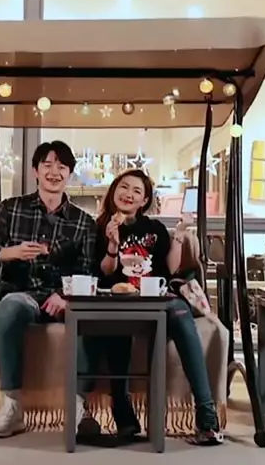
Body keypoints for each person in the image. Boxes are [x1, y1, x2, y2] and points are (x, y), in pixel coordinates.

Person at [89, 169, 224, 445]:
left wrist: (180, 233)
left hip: (157, 297)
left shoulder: (155, 229)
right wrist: (112, 245)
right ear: (113, 192)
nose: (129, 194)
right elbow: (105, 272)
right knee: (114, 327)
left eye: (137, 191)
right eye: (124, 187)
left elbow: (170, 268)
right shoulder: (100, 227)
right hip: (117, 299)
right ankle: (123, 414)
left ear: (144, 200)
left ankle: (206, 413)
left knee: (181, 313)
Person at [0, 140, 99, 438]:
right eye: (47, 165)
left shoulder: (83, 222)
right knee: (10, 306)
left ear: (69, 173)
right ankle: (12, 407)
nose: (54, 172)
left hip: (64, 295)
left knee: (86, 316)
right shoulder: (10, 208)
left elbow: (88, 270)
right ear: (35, 170)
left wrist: (66, 295)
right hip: (21, 293)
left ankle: (79, 406)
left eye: (62, 167)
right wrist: (11, 252)